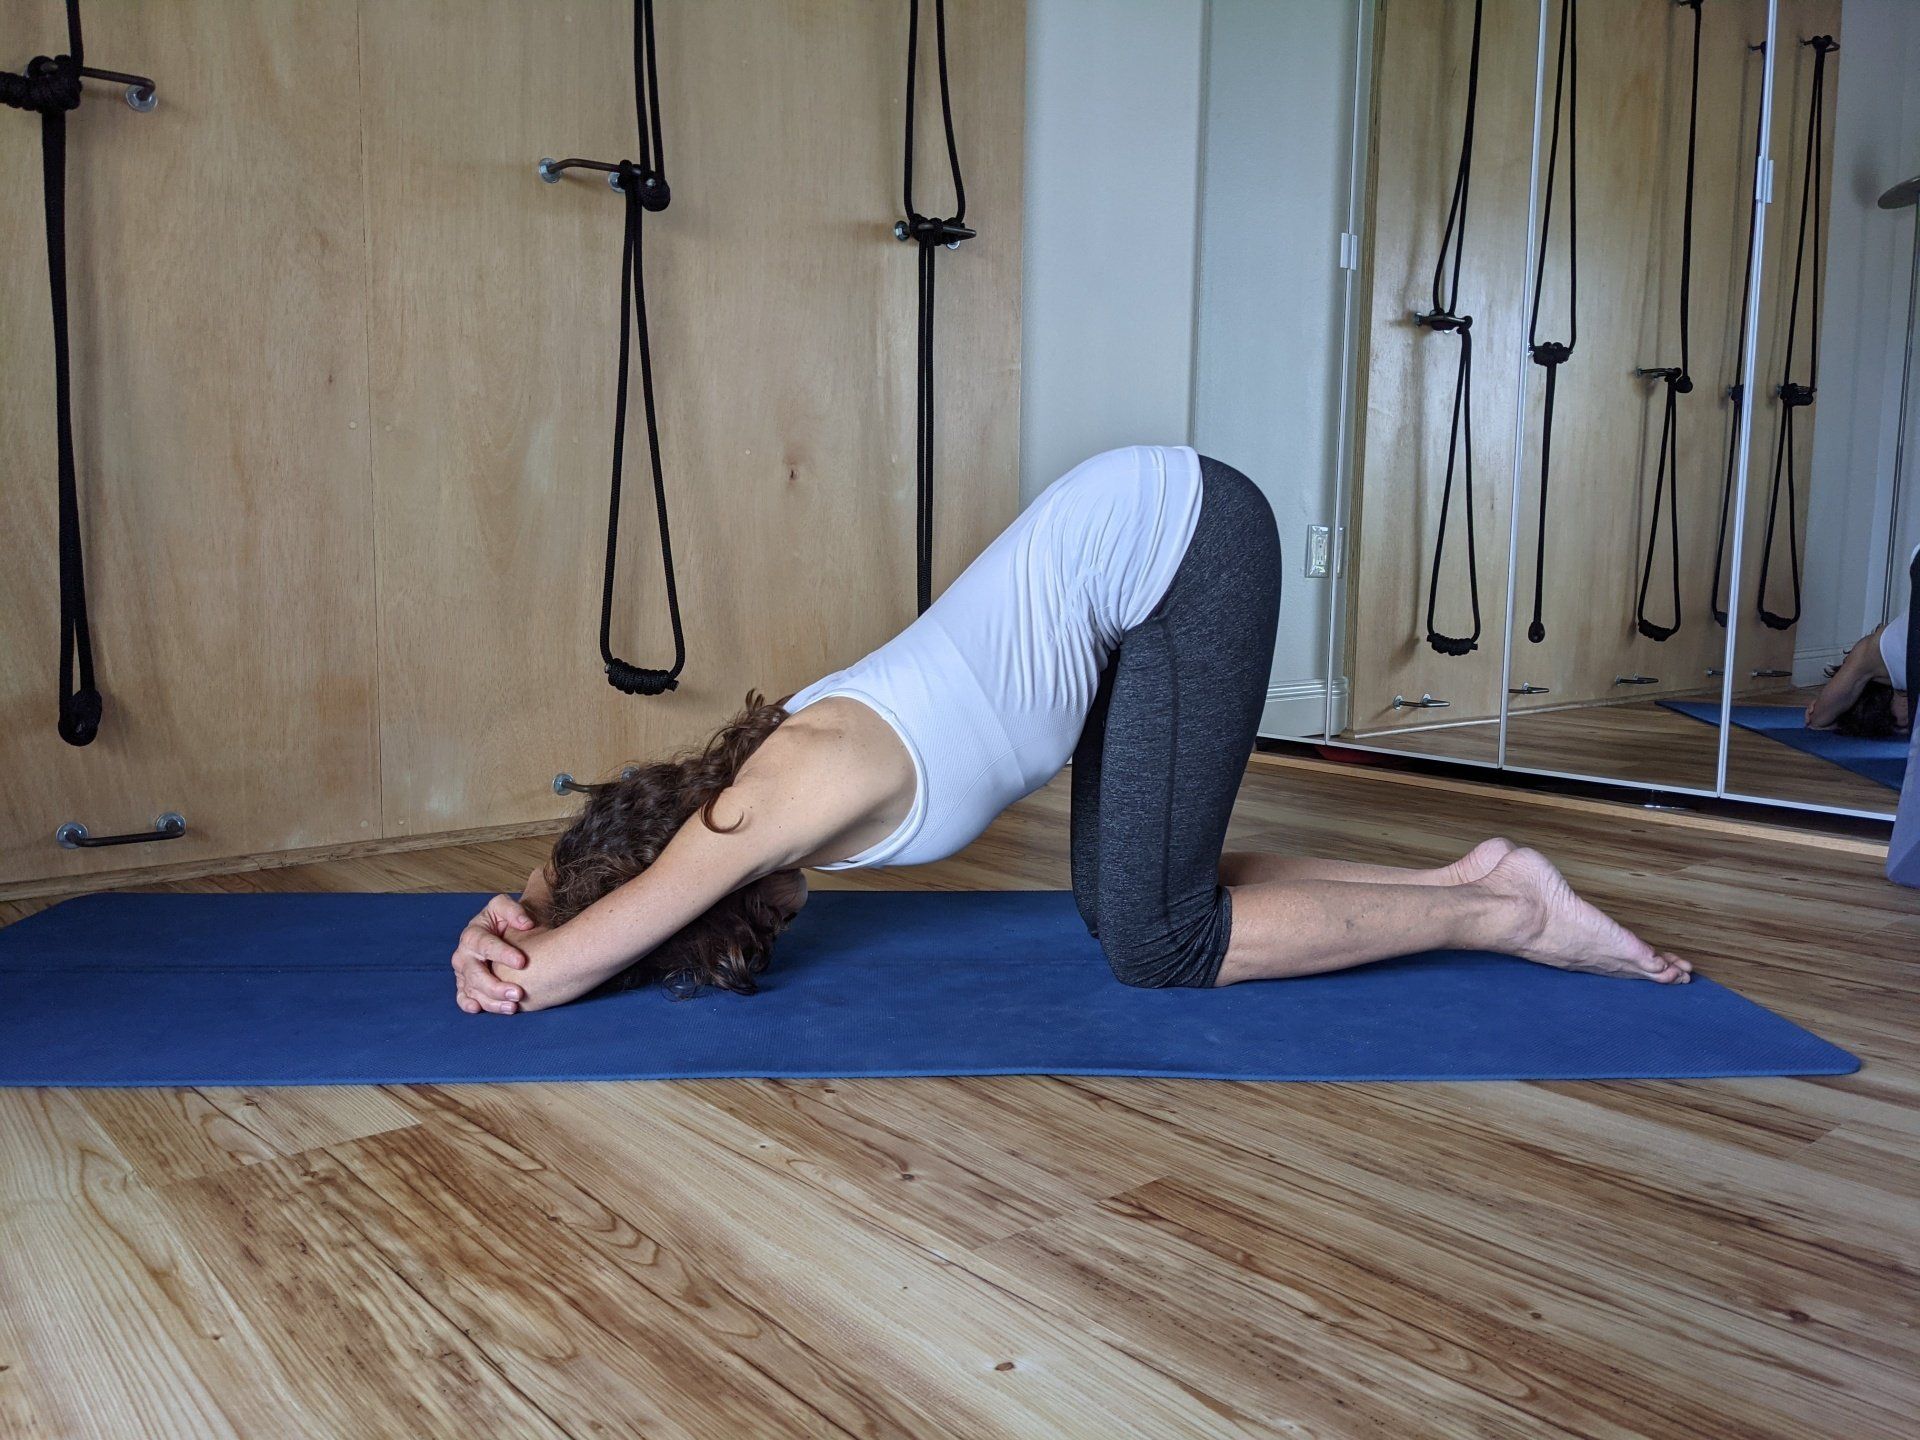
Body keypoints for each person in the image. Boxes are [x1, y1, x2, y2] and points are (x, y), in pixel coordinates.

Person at [450, 447, 1689, 1015]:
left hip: (1180, 554)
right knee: (1126, 900)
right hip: (1141, 568)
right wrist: (510, 909)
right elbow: (613, 870)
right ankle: (1472, 879)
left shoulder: (767, 804)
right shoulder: (725, 806)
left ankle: (1510, 914)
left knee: (1157, 943)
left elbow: (601, 937)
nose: (732, 944)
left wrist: (518, 972)